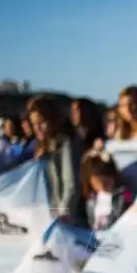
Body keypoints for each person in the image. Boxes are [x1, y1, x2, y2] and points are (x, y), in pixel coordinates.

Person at [28, 95, 86, 226]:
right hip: (47, 214)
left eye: (42, 122)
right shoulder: (41, 146)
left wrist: (63, 215)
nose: (37, 128)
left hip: (64, 218)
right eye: (34, 124)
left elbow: (71, 185)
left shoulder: (65, 144)